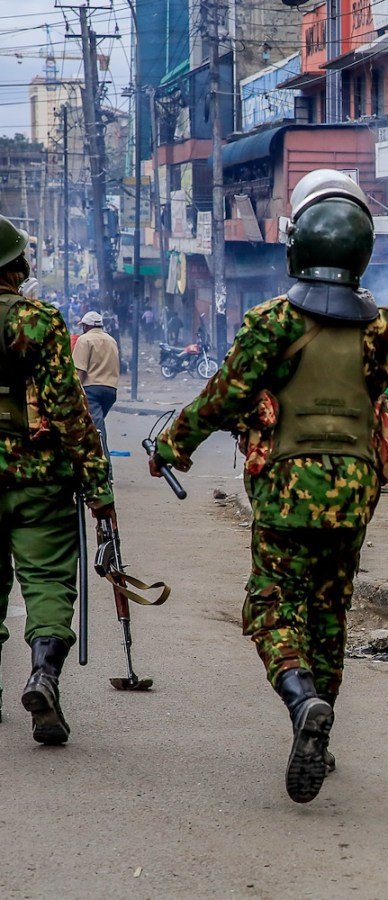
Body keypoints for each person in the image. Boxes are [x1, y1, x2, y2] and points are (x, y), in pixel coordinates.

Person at [148, 170, 388, 804]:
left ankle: (302, 705)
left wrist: (171, 446)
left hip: (287, 490)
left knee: (272, 605)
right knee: (329, 613)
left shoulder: (271, 323)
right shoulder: (385, 328)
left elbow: (222, 397)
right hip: (353, 495)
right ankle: (323, 727)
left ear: (300, 247)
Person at [0, 214, 114, 743]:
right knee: (47, 584)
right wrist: (98, 485)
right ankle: (44, 674)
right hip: (41, 479)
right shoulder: (40, 321)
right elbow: (70, 411)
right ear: (17, 265)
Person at [72, 309, 120, 459]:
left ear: (86, 326)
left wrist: (74, 393)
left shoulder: (84, 340)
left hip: (91, 390)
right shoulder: (111, 340)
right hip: (110, 390)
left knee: (97, 433)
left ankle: (106, 473)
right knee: (91, 427)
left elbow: (80, 370)